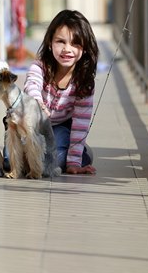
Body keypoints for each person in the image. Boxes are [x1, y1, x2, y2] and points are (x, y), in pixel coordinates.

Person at [23, 9, 99, 174]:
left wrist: (74, 163)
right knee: (11, 160)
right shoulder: (40, 66)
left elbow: (81, 123)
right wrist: (38, 104)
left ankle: (78, 154)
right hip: (32, 124)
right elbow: (31, 85)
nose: (67, 49)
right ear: (50, 43)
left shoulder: (84, 82)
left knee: (51, 160)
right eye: (60, 41)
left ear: (85, 48)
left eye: (75, 43)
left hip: (60, 128)